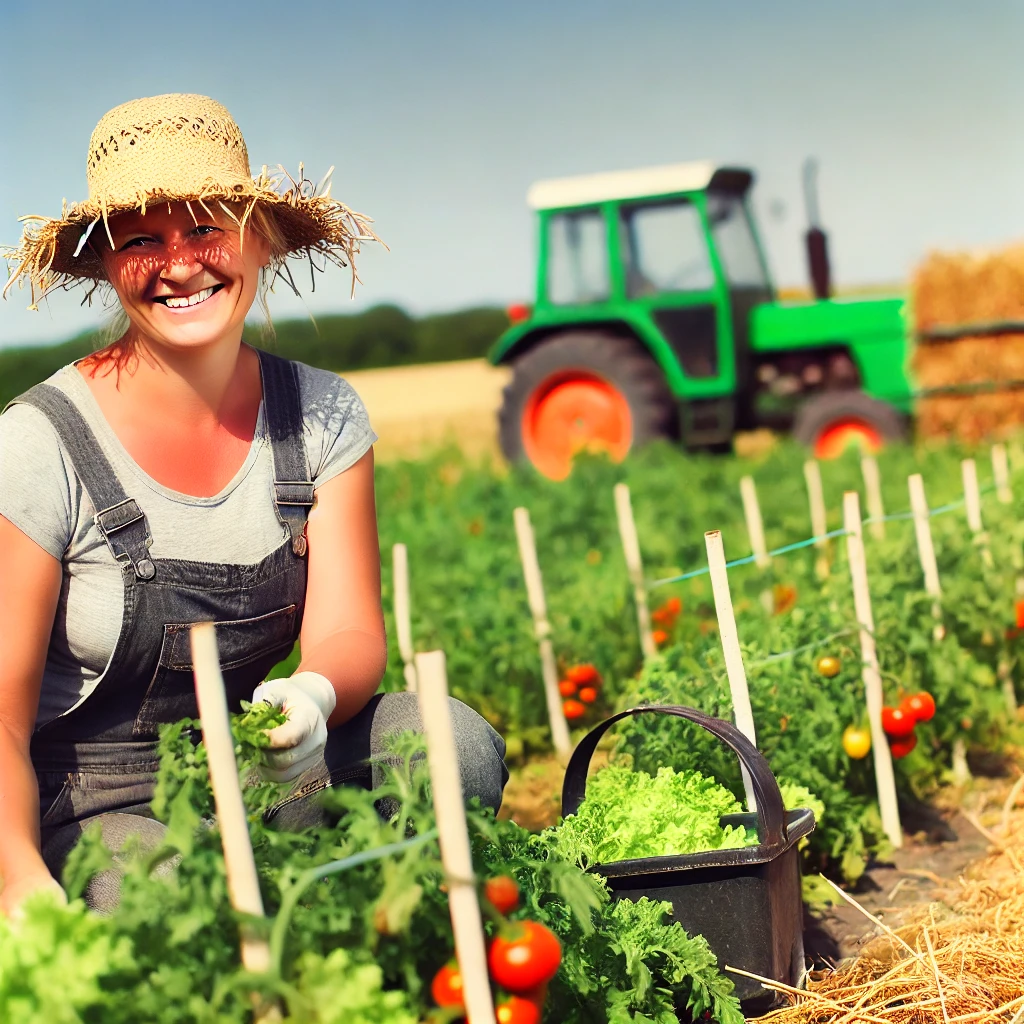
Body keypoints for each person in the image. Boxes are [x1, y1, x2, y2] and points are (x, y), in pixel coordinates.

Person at [0, 94, 507, 916]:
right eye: (141, 240)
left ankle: (376, 968)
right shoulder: (39, 443)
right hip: (98, 806)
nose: (180, 262)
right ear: (103, 263)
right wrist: (16, 876)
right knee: (166, 895)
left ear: (259, 235)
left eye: (206, 227)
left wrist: (309, 698)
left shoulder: (323, 416)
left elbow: (346, 630)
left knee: (448, 746)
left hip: (259, 763)